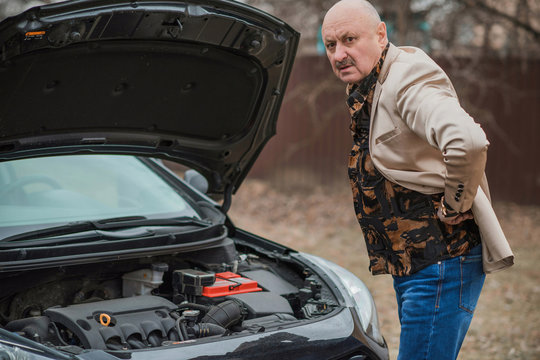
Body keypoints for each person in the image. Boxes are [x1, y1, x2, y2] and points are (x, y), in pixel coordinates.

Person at [321, 1, 514, 359]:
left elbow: (467, 141)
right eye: (331, 45)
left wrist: (455, 204)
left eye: (349, 39)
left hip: (440, 262)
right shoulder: (371, 82)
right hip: (416, 261)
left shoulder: (406, 79)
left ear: (381, 34)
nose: (339, 54)